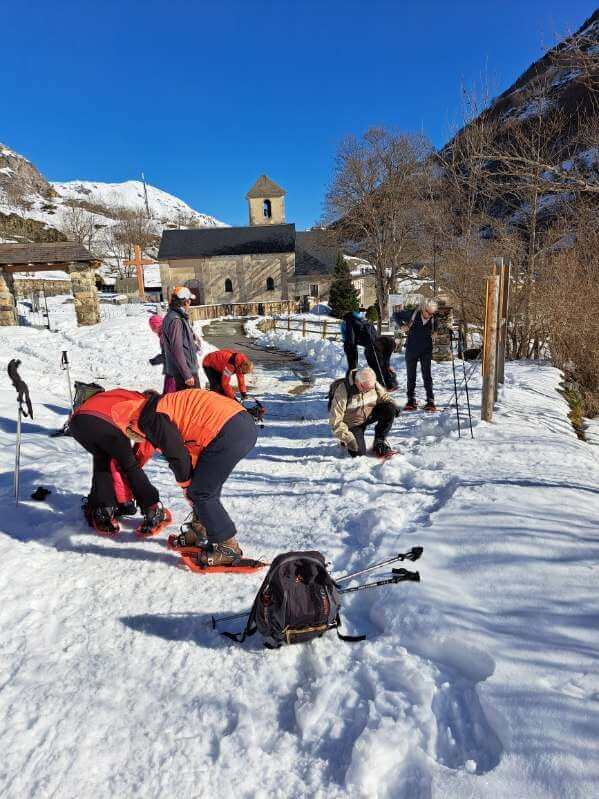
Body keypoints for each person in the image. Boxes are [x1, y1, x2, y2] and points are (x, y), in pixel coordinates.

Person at [128, 388, 257, 566]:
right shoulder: (163, 406)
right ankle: (200, 530)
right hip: (237, 423)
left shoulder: (152, 418)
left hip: (229, 430)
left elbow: (178, 455)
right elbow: (191, 451)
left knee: (200, 492)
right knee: (202, 485)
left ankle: (227, 548)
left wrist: (186, 485)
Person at [70, 389, 167, 535]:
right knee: (130, 466)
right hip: (107, 424)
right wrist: (130, 467)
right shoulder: (146, 405)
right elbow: (144, 448)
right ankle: (152, 509)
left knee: (102, 460)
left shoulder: (123, 393)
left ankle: (104, 511)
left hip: (78, 422)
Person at [329, 366, 399, 458]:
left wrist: (392, 404)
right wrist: (348, 438)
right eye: (367, 389)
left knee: (389, 408)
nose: (370, 390)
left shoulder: (371, 382)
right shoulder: (343, 390)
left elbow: (384, 396)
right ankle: (347, 439)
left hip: (368, 416)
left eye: (371, 388)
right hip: (353, 423)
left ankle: (379, 441)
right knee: (359, 452)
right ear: (359, 383)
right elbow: (335, 420)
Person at [393, 300, 438, 411]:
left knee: (427, 374)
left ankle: (430, 400)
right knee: (411, 375)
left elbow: (435, 327)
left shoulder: (433, 317)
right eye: (428, 312)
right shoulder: (412, 314)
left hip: (426, 349)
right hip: (412, 348)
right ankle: (411, 400)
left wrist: (435, 332)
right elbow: (395, 315)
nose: (430, 315)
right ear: (423, 309)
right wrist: (402, 325)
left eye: (432, 313)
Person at [161, 287, 203, 390]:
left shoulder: (175, 316)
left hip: (184, 369)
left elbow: (183, 342)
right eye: (189, 301)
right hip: (185, 371)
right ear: (185, 302)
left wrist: (194, 345)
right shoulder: (176, 320)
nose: (190, 304)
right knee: (194, 402)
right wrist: (187, 374)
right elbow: (177, 349)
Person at [148, 314, 177, 394]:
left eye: (152, 327)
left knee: (169, 393)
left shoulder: (164, 336)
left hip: (174, 369)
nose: (152, 330)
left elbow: (169, 355)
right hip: (173, 368)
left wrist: (156, 360)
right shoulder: (166, 332)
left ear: (156, 326)